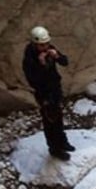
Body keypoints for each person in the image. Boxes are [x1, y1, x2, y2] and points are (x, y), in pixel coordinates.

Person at [22, 25, 75, 160]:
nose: (45, 47)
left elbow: (65, 61)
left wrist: (56, 56)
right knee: (50, 121)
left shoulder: (50, 49)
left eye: (46, 44)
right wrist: (42, 64)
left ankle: (62, 142)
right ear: (35, 44)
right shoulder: (29, 59)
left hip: (54, 88)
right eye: (42, 45)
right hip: (44, 93)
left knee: (58, 118)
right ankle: (55, 148)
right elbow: (34, 80)